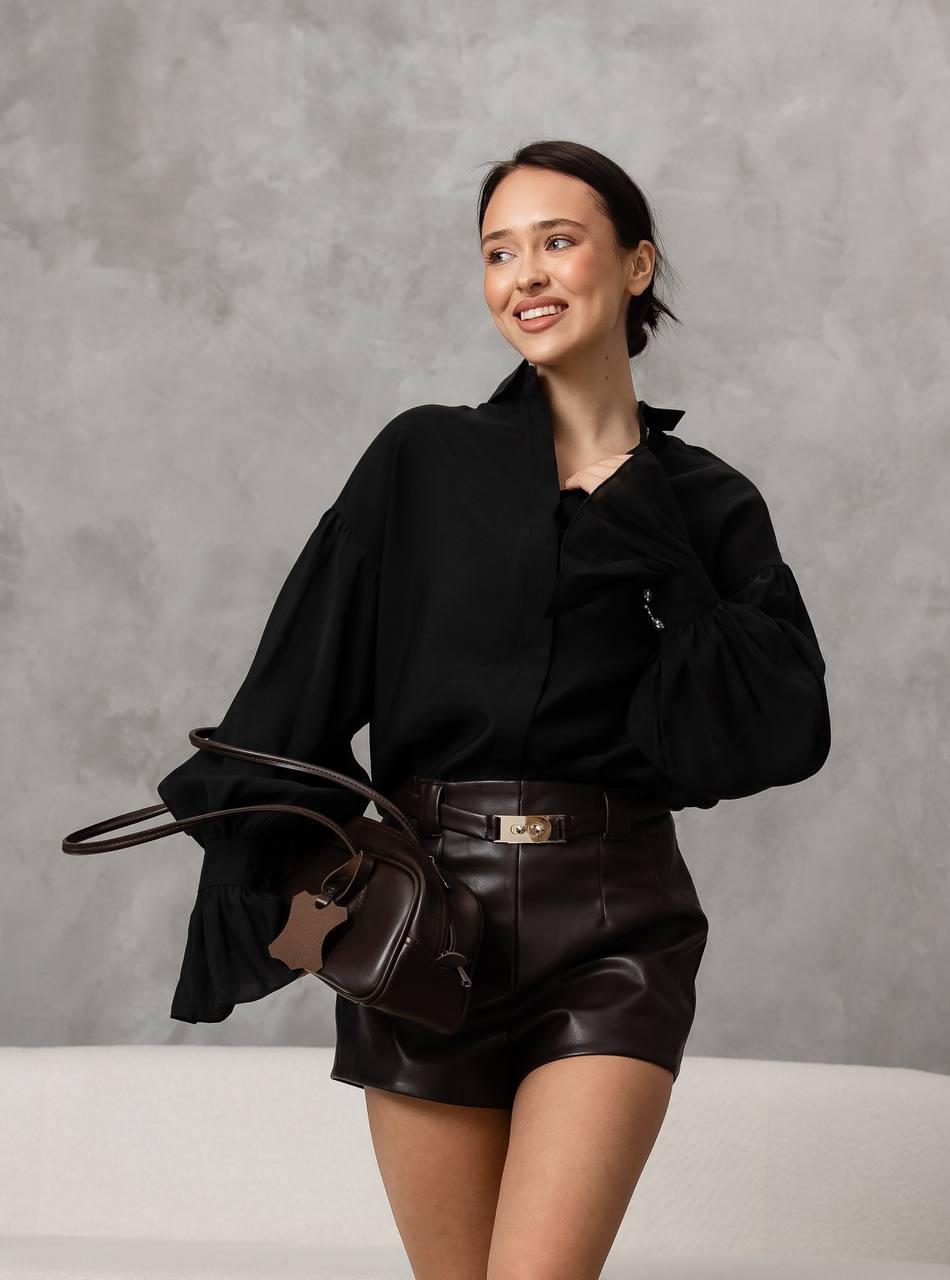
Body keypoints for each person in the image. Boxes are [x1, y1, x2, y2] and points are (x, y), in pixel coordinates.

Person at [157, 140, 831, 1279]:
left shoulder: (710, 501)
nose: (524, 273)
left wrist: (646, 516)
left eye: (557, 241)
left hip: (616, 922)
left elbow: (773, 730)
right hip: (425, 918)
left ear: (633, 264)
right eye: (496, 251)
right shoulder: (420, 459)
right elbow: (296, 681)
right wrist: (271, 881)